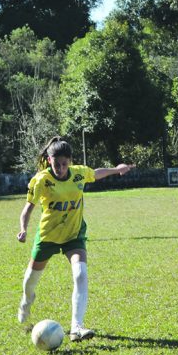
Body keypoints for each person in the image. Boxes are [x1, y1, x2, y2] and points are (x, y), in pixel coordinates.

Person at [16, 136, 133, 341]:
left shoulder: (78, 174)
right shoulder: (41, 181)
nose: (60, 168)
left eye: (64, 164)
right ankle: (26, 301)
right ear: (49, 160)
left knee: (80, 274)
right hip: (48, 236)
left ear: (69, 161)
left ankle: (76, 327)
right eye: (56, 164)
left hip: (74, 234)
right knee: (30, 280)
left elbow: (96, 174)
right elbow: (27, 209)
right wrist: (23, 229)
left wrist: (116, 169)